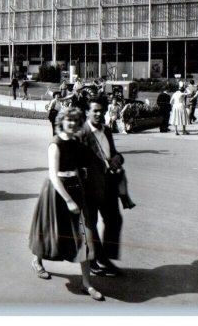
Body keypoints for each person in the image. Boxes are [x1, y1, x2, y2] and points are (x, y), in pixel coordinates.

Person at [27, 107, 105, 301]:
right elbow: (53, 175)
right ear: (61, 121)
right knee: (51, 232)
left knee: (86, 235)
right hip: (56, 192)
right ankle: (37, 260)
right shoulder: (55, 144)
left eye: (75, 121)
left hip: (76, 189)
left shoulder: (76, 141)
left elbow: (80, 166)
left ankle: (86, 283)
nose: (72, 124)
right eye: (68, 120)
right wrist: (68, 200)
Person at [80, 95, 127, 277]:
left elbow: (114, 153)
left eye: (102, 110)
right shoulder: (82, 133)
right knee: (91, 224)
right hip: (89, 187)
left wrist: (118, 159)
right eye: (95, 111)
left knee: (114, 220)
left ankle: (105, 257)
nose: (99, 114)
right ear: (87, 112)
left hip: (108, 184)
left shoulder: (106, 131)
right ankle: (93, 260)